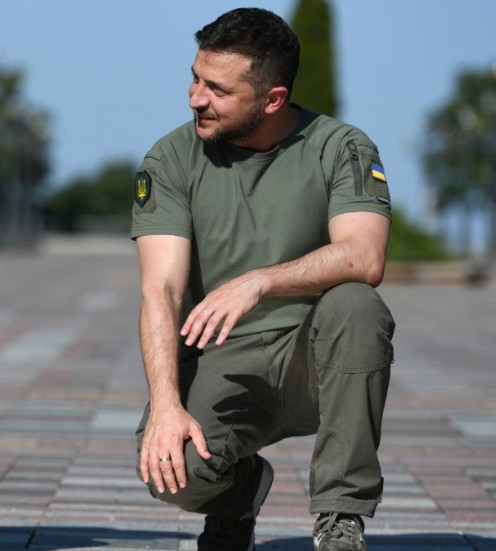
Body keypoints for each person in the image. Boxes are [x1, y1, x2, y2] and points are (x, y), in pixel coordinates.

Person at [131, 8, 395, 551]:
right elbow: (162, 290)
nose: (195, 98)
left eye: (218, 90)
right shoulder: (172, 158)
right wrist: (165, 405)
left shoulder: (340, 147)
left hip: (316, 356)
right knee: (171, 470)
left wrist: (258, 281)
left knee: (357, 305)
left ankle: (339, 518)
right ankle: (236, 492)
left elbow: (364, 256)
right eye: (195, 78)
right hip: (223, 359)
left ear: (273, 98)